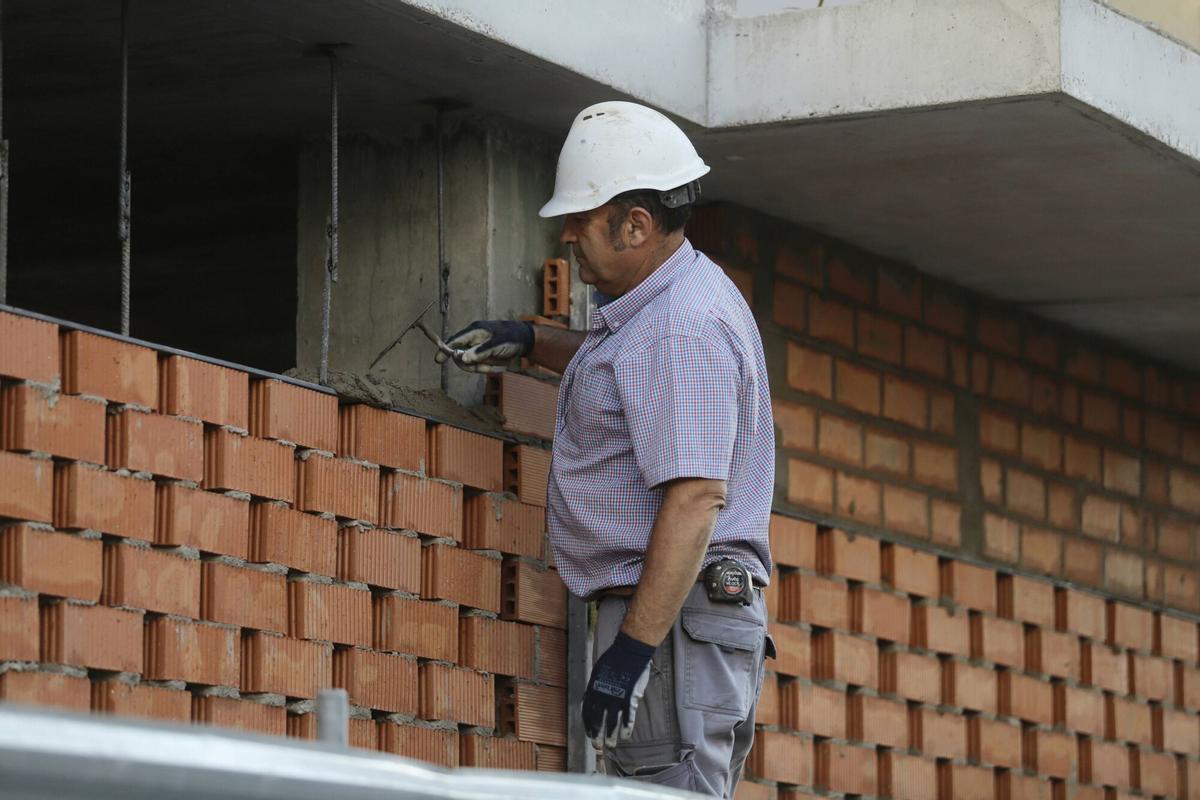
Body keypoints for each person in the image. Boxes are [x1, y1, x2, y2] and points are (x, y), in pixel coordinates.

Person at [440, 100, 775, 797]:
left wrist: (632, 653)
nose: (566, 237)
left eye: (580, 220)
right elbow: (631, 377)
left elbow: (695, 498)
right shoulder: (667, 307)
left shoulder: (682, 328)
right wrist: (532, 342)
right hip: (678, 620)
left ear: (636, 224)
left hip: (673, 624)